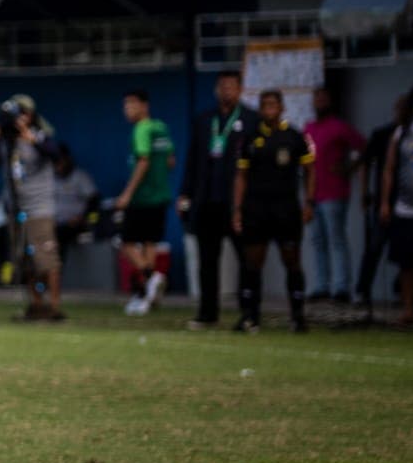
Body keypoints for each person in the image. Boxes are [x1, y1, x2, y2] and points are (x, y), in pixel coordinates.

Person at [177, 72, 261, 330]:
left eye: (232, 86)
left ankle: (249, 313)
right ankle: (207, 313)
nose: (227, 91)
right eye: (222, 86)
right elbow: (192, 160)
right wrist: (185, 193)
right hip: (207, 200)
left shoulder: (251, 120)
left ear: (240, 90)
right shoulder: (204, 120)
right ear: (216, 90)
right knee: (207, 260)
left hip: (237, 204)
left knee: (246, 258)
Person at [233, 90, 316, 333]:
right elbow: (241, 176)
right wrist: (237, 209)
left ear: (282, 108)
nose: (269, 108)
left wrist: (309, 202)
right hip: (256, 208)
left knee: (292, 260)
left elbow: (310, 170)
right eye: (265, 104)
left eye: (273, 104)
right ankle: (251, 316)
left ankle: (298, 316)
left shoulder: (294, 136)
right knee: (253, 262)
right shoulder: (251, 137)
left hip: (286, 208)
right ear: (260, 109)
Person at [0, 95, 65, 320]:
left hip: (39, 207)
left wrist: (30, 138)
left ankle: (54, 307)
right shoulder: (6, 140)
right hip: (15, 206)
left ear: (28, 115)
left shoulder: (39, 135)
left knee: (47, 259)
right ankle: (36, 305)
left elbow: (56, 155)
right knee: (24, 260)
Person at [112, 90, 176, 316]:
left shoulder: (142, 129)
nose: (127, 110)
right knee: (150, 243)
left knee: (126, 242)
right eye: (125, 105)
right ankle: (147, 297)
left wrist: (127, 193)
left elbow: (143, 160)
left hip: (142, 196)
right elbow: (170, 160)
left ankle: (151, 276)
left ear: (144, 106)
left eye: (131, 105)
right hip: (161, 195)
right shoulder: (161, 128)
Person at [303, 88, 365, 303]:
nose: (319, 101)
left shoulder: (339, 126)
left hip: (334, 192)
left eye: (323, 98)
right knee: (317, 240)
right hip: (313, 194)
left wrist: (349, 168)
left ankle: (341, 287)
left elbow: (364, 148)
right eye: (316, 98)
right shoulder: (308, 128)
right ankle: (321, 285)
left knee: (336, 239)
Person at [357, 94, 407, 307]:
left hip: (408, 204)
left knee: (407, 253)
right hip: (385, 203)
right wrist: (365, 193)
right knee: (374, 247)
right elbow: (366, 164)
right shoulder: (384, 134)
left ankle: (402, 293)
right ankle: (362, 291)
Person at [376, 89, 413, 327]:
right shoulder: (402, 133)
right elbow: (389, 169)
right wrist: (384, 202)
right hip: (405, 207)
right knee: (406, 262)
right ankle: (408, 308)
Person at [52, 144, 100, 266]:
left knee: (60, 234)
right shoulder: (49, 177)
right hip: (53, 222)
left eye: (60, 160)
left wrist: (82, 217)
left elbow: (94, 200)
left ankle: (56, 270)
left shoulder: (79, 176)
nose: (58, 164)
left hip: (76, 224)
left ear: (67, 159)